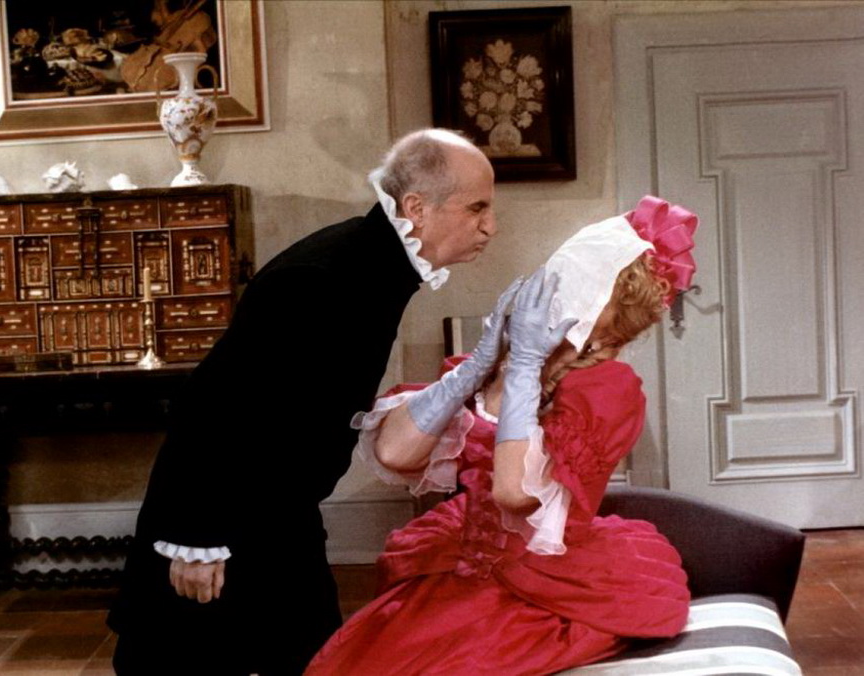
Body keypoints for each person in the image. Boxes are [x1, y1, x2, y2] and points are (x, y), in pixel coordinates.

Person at [107, 128, 498, 675]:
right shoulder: (324, 276)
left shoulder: (375, 266)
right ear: (416, 209)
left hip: (277, 513)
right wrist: (195, 536)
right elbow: (214, 405)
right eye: (477, 207)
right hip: (223, 519)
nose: (490, 225)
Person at [304, 196, 699, 676]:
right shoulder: (507, 362)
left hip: (544, 584)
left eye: (573, 284)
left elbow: (515, 493)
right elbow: (393, 452)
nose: (550, 292)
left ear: (606, 313)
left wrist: (525, 368)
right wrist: (474, 369)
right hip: (464, 561)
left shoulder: (607, 388)